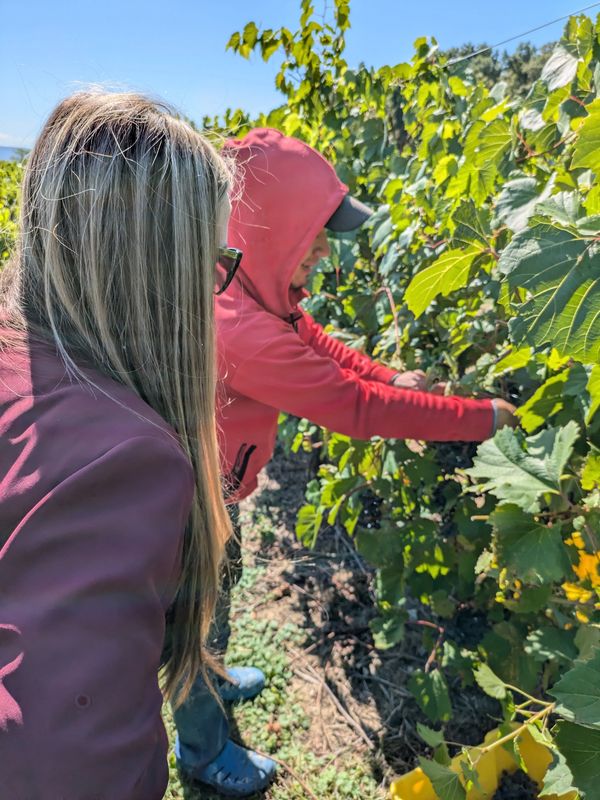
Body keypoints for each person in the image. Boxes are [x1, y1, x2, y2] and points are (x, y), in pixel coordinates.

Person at [173, 128, 517, 795]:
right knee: (195, 620)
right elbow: (355, 410)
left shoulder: (248, 289)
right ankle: (202, 748)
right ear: (269, 226)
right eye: (315, 233)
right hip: (186, 508)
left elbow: (323, 345)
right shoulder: (236, 327)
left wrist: (392, 374)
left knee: (217, 604)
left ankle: (211, 681)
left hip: (216, 491)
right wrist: (481, 419)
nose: (326, 252)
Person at [0, 91, 242, 800]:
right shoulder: (124, 458)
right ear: (163, 275)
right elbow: (67, 764)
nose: (215, 290)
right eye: (212, 262)